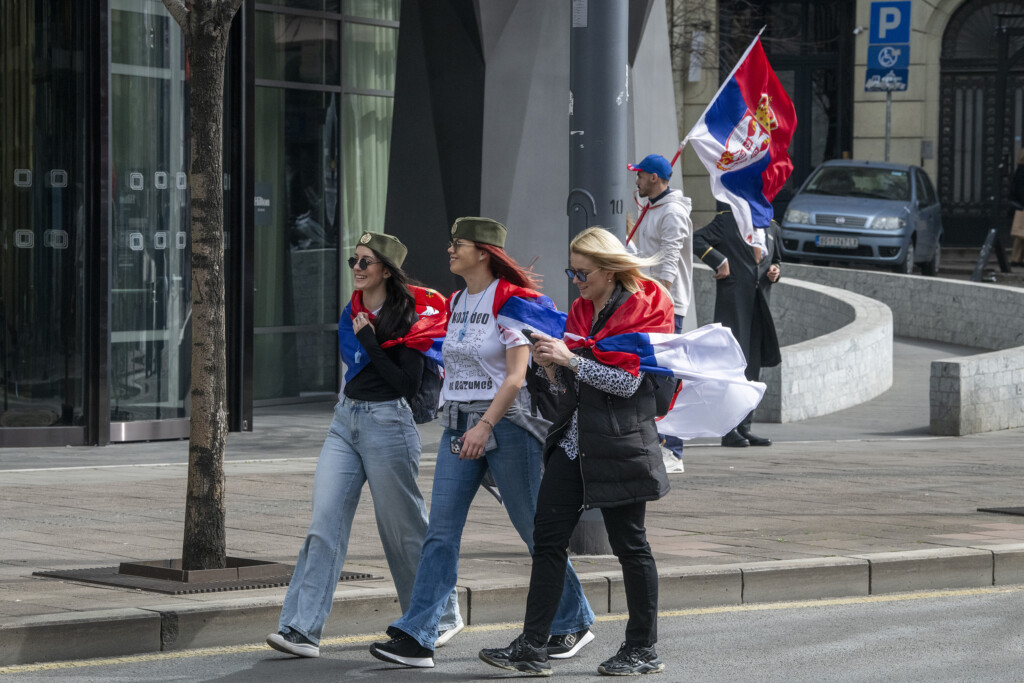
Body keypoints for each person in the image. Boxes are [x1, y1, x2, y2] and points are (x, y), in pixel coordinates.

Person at [370, 217, 595, 669]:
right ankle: (419, 634)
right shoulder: (456, 300)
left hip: (504, 426)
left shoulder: (509, 302)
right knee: (441, 532)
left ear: (484, 253)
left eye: (459, 244)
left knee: (535, 531)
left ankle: (575, 618)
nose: (450, 250)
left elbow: (514, 378)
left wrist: (485, 427)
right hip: (459, 426)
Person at [479, 227, 671, 677]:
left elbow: (629, 384)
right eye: (572, 271)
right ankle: (532, 646)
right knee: (547, 539)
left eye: (582, 272)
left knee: (630, 545)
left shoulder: (643, 306)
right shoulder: (584, 310)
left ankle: (642, 649)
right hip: (574, 442)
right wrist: (551, 368)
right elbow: (572, 385)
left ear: (608, 270)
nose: (575, 281)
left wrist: (571, 360)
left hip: (621, 443)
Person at [267, 231, 462, 658]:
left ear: (386, 271)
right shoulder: (351, 311)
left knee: (403, 528)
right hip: (346, 420)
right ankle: (301, 628)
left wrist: (372, 341)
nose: (356, 269)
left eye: (365, 262)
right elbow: (355, 366)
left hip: (389, 422)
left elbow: (405, 384)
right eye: (353, 261)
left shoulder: (410, 316)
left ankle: (439, 617)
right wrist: (369, 346)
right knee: (324, 522)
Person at [627, 153, 693, 471]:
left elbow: (668, 259)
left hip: (665, 306)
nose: (636, 180)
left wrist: (659, 301)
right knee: (650, 375)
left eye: (639, 175)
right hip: (649, 302)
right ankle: (655, 445)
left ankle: (674, 450)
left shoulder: (673, 212)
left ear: (654, 178)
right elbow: (644, 255)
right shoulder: (650, 208)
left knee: (665, 377)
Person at [693, 211, 781, 447]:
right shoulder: (727, 220)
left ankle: (745, 426)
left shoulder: (772, 228)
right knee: (733, 366)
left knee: (752, 366)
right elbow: (696, 240)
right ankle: (729, 429)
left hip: (759, 306)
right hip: (733, 305)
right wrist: (719, 260)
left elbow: (776, 260)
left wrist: (775, 271)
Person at [1010, 148, 1024, 267]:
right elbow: (1020, 189)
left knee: (1021, 234)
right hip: (1023, 205)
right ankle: (1016, 259)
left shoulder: (1020, 170)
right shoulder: (1021, 170)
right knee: (1021, 234)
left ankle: (1017, 259)